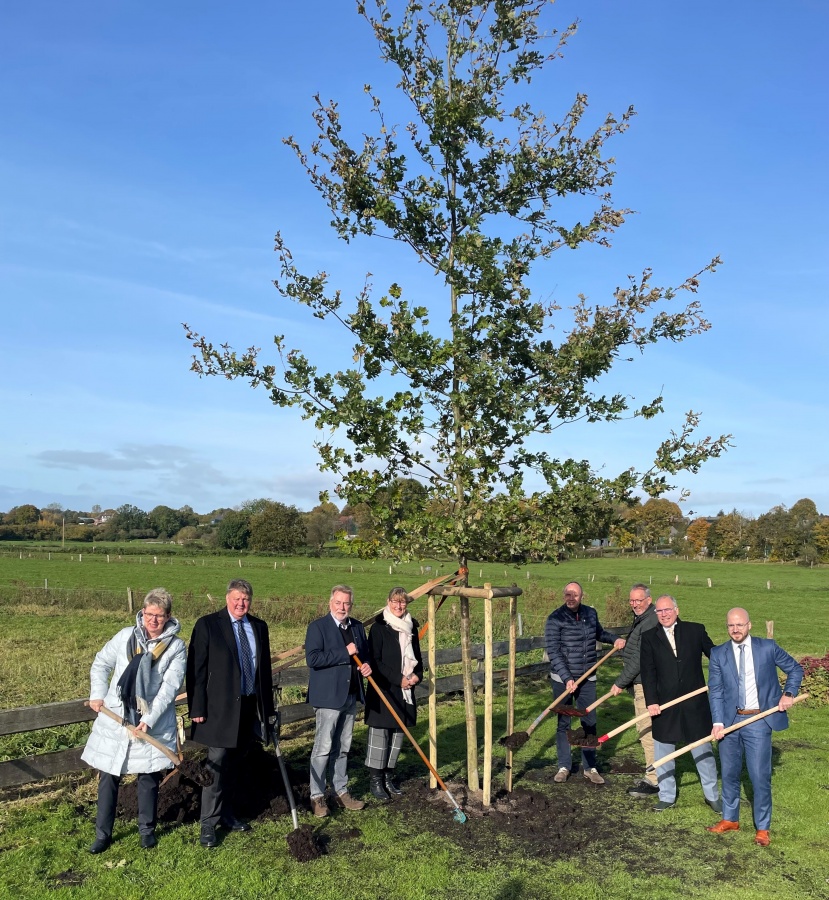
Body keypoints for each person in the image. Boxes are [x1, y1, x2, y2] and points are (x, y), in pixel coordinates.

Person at [82, 588, 187, 853]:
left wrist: (148, 720)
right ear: (142, 612)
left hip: (152, 720)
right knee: (109, 775)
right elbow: (101, 663)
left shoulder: (175, 647)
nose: (153, 620)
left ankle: (146, 831)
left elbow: (169, 688)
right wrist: (97, 694)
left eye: (159, 616)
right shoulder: (125, 636)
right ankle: (103, 835)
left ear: (168, 617)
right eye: (149, 614)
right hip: (116, 718)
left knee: (148, 776)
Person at [186, 579, 275, 848]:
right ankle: (208, 824)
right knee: (217, 763)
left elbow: (265, 673)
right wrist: (197, 707)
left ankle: (228, 814)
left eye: (246, 599)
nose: (241, 604)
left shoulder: (259, 627)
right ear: (227, 598)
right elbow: (196, 670)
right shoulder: (208, 625)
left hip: (248, 708)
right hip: (218, 709)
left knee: (236, 764)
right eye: (236, 598)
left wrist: (266, 710)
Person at [706, 607, 803, 846]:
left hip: (759, 720)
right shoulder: (719, 654)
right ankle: (730, 819)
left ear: (749, 625)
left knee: (759, 776)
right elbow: (716, 691)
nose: (735, 629)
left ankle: (762, 827)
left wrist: (788, 693)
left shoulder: (767, 648)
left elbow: (795, 669)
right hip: (729, 722)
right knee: (728, 773)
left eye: (740, 625)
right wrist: (718, 722)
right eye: (731, 625)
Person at [640, 595, 721, 813]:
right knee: (664, 753)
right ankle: (666, 795)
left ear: (676, 609)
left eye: (667, 610)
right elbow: (648, 673)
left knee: (703, 751)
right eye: (659, 611)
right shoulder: (649, 637)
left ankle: (712, 796)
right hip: (664, 705)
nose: (664, 614)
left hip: (695, 702)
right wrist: (652, 702)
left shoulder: (696, 631)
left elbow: (715, 655)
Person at [545, 581, 625, 785]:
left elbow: (599, 633)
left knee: (589, 720)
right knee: (564, 723)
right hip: (563, 680)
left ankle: (590, 767)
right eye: (567, 594)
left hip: (587, 677)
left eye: (575, 595)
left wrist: (614, 639)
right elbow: (553, 651)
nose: (571, 598)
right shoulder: (555, 618)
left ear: (582, 596)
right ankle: (564, 766)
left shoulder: (590, 614)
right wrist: (567, 678)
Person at [305, 584, 372, 817]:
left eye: (347, 603)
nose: (342, 607)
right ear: (330, 603)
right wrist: (345, 653)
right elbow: (313, 659)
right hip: (328, 698)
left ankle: (341, 791)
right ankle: (317, 795)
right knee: (323, 748)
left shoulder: (357, 627)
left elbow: (363, 654)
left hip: (351, 695)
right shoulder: (318, 627)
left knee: (343, 747)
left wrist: (366, 665)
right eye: (338, 603)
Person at [364, 587, 423, 801]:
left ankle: (389, 777)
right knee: (380, 735)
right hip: (384, 689)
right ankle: (376, 781)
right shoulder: (379, 627)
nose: (399, 606)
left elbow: (418, 658)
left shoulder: (411, 627)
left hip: (405, 691)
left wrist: (416, 676)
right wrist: (399, 679)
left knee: (398, 736)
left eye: (403, 602)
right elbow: (375, 661)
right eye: (395, 602)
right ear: (388, 602)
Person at [610, 583, 660, 799]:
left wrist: (621, 682)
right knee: (651, 730)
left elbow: (641, 657)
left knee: (646, 731)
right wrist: (625, 641)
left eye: (638, 600)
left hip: (644, 683)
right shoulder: (645, 618)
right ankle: (658, 773)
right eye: (631, 601)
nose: (634, 605)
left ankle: (653, 780)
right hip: (643, 682)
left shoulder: (650, 620)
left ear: (649, 600)